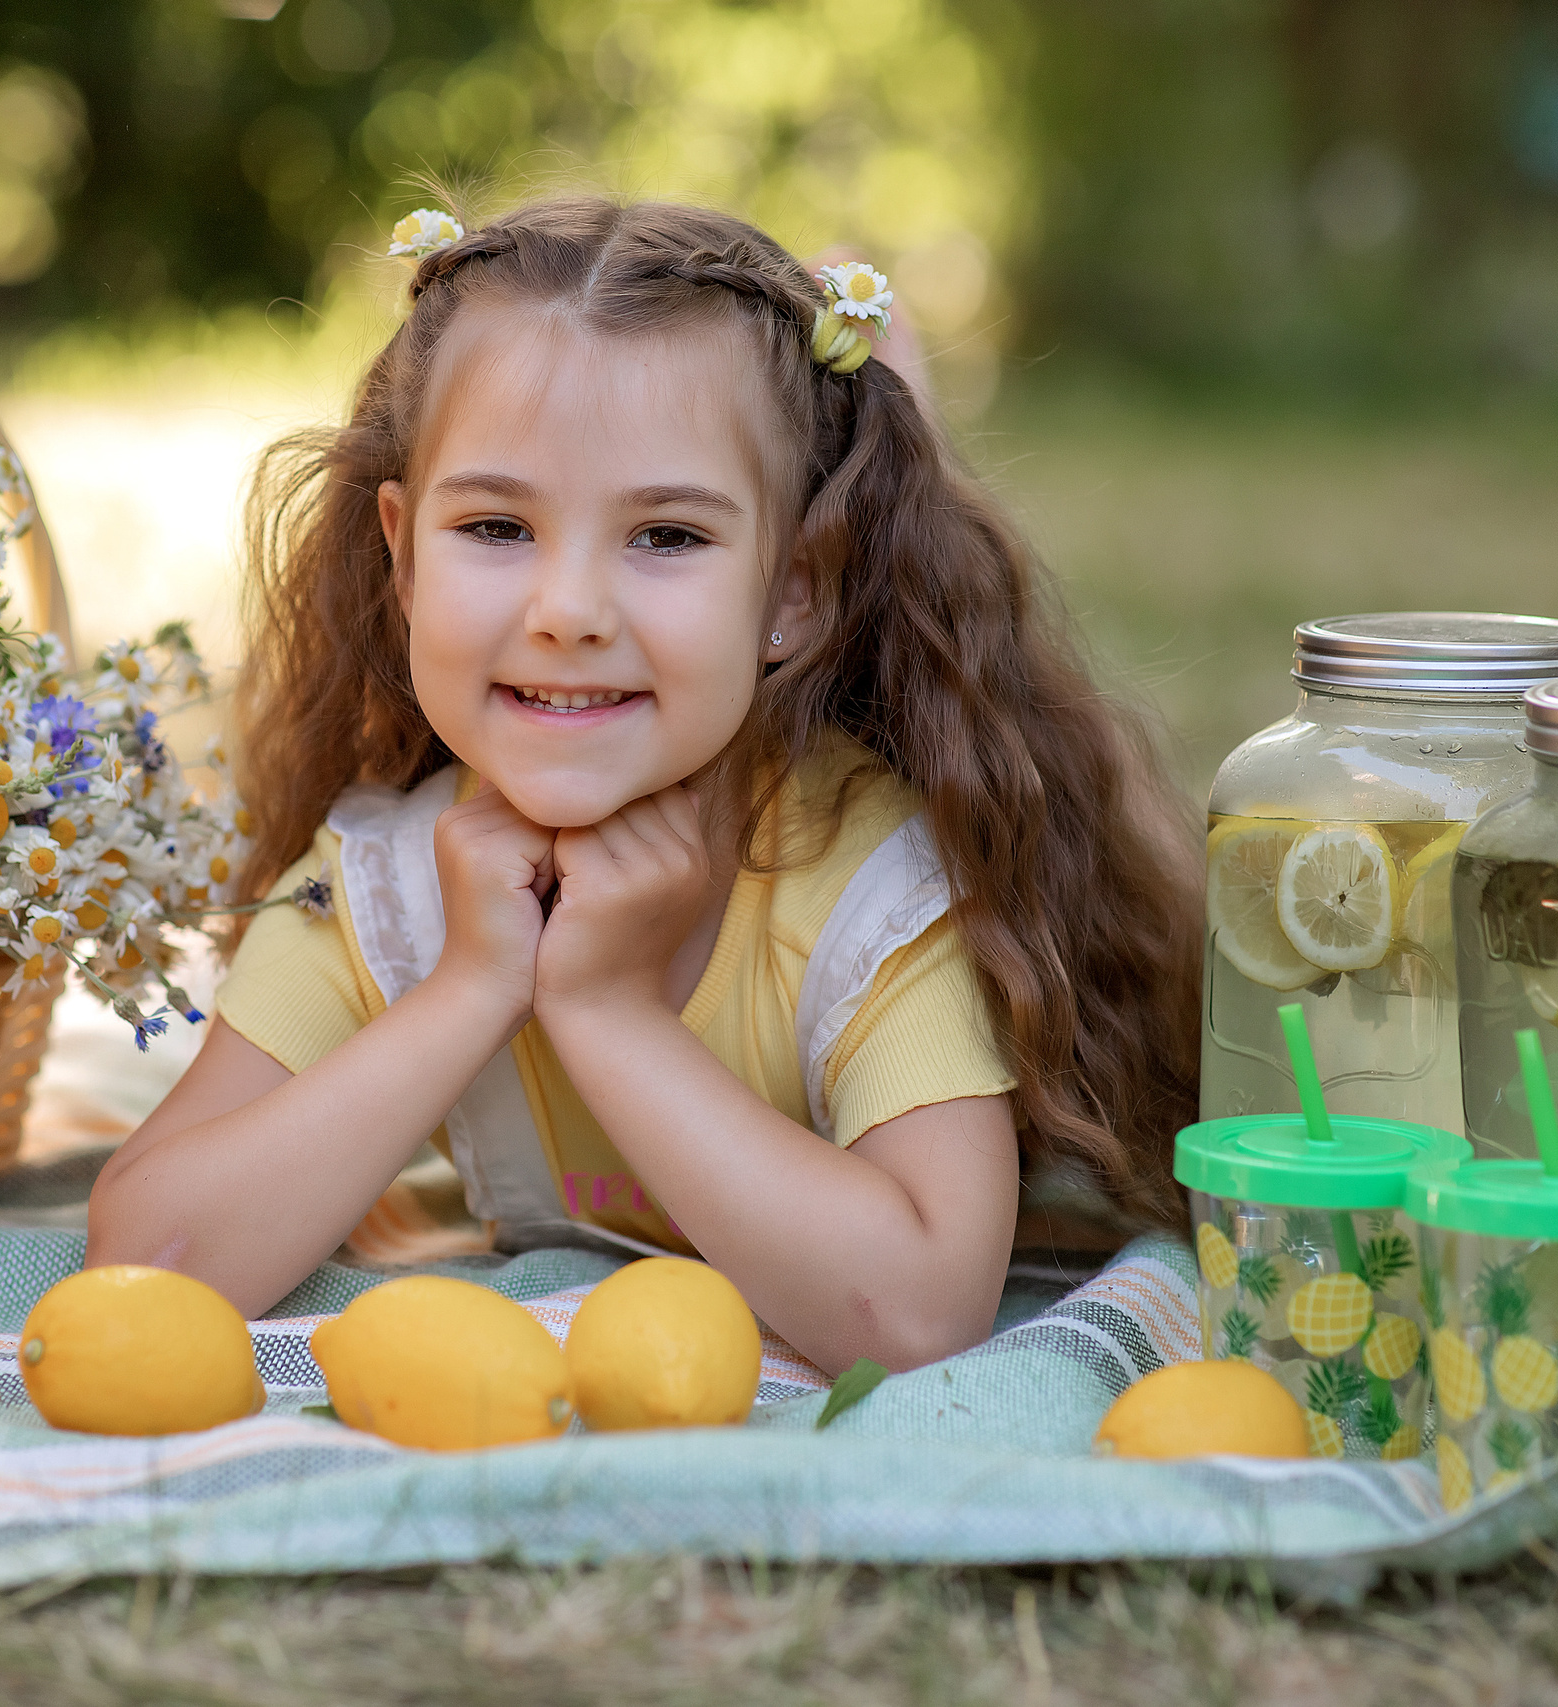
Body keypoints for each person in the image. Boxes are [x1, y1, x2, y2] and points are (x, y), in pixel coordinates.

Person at [88, 196, 1200, 1374]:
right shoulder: (384, 885)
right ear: (402, 555)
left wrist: (608, 1012)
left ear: (794, 589)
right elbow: (146, 1260)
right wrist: (469, 988)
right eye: (497, 527)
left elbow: (921, 1315)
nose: (568, 612)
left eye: (666, 536)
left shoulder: (875, 892)